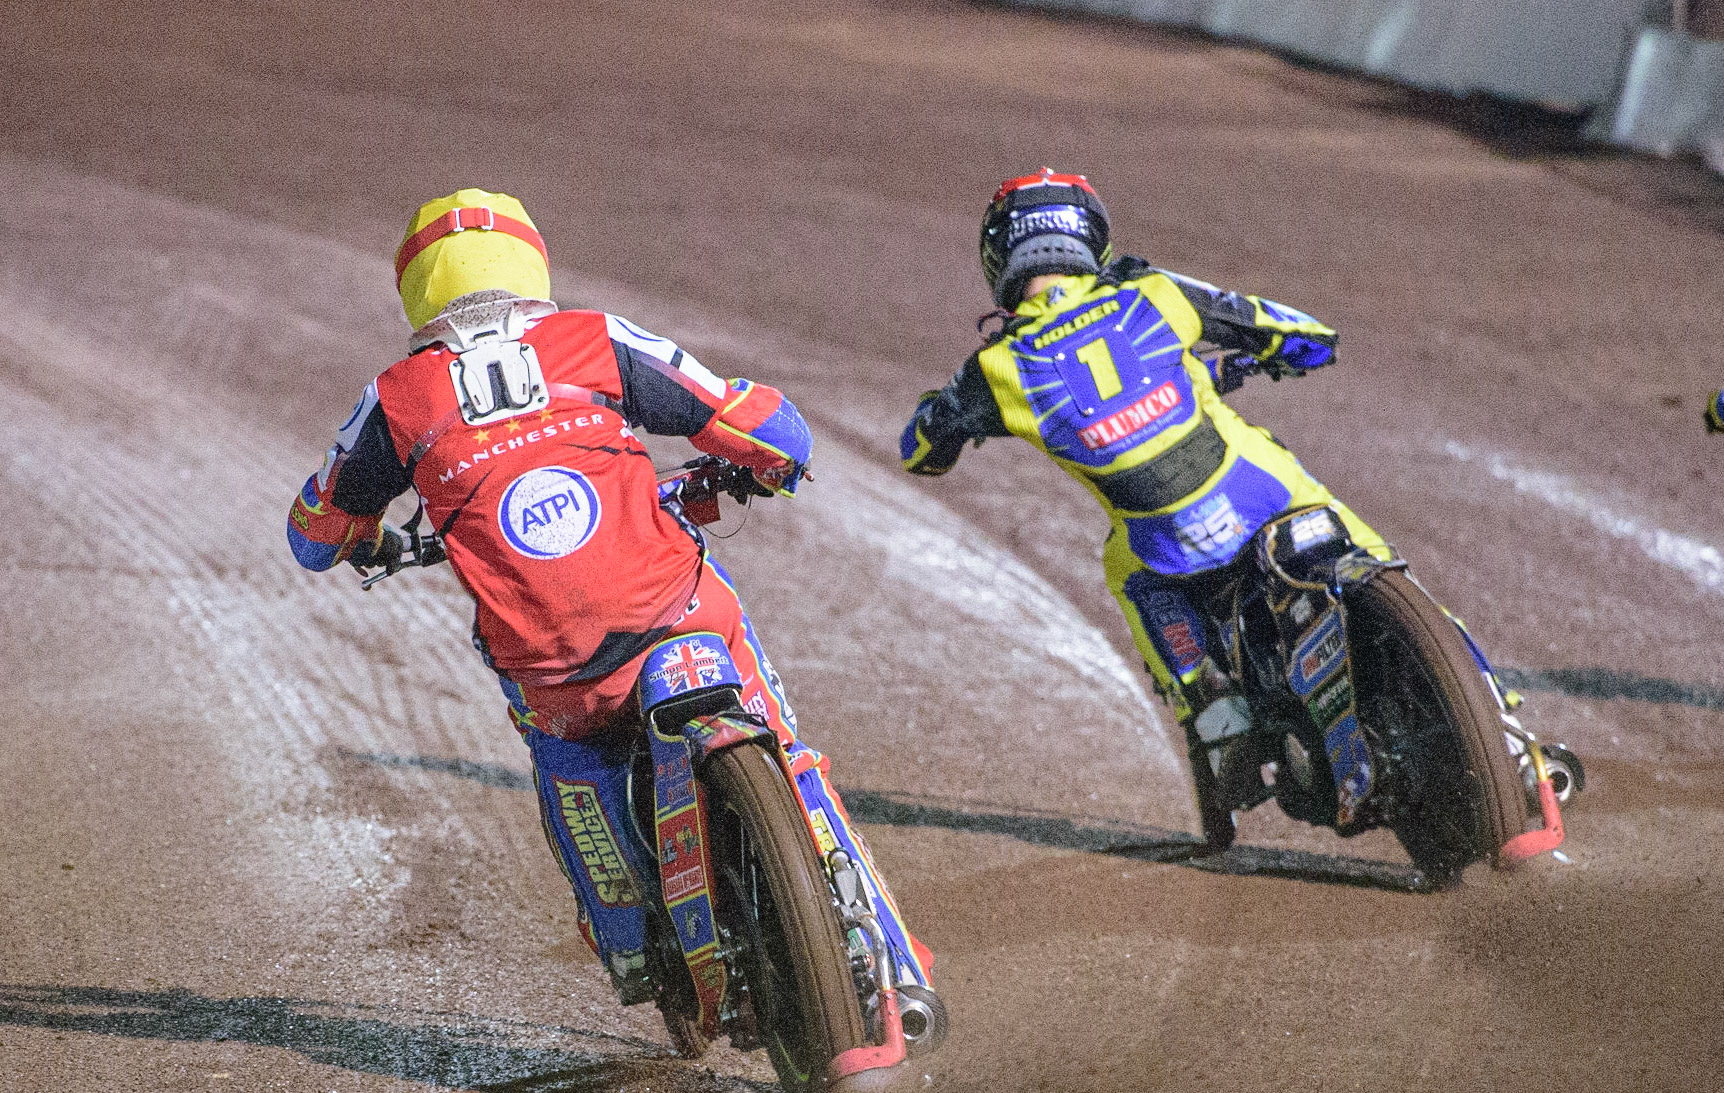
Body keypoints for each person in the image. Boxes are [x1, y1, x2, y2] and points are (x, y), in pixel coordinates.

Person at [288, 188, 933, 1030]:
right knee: (792, 756)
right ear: (530, 261)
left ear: (418, 292)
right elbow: (764, 426)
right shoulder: (592, 338)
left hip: (561, 681)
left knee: (563, 751)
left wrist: (369, 535)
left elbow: (312, 534)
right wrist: (769, 464)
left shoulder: (398, 398)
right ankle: (893, 968)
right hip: (684, 619)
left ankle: (626, 933)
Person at [899, 168, 1391, 846]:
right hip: (1257, 491)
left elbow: (918, 450)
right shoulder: (1152, 294)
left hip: (1163, 540)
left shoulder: (996, 369)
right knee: (1363, 542)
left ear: (1000, 261)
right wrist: (1297, 351)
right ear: (1088, 240)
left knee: (1123, 568)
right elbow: (1297, 331)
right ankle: (1493, 710)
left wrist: (943, 419)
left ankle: (1211, 704)